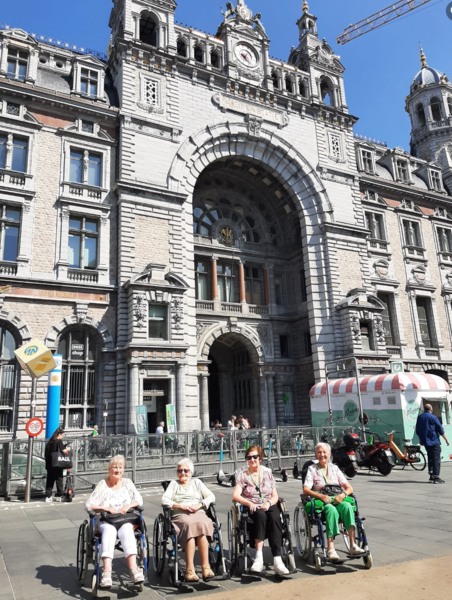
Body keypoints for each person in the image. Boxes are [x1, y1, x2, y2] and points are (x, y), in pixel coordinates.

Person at [85, 455, 145, 588]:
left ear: (123, 469)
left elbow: (139, 500)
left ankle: (134, 569)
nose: (118, 470)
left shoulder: (128, 483)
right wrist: (106, 508)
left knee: (127, 529)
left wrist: (128, 506)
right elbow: (88, 505)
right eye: (115, 467)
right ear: (109, 469)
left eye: (120, 467)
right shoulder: (102, 485)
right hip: (106, 520)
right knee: (110, 530)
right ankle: (107, 572)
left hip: (124, 519)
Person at [303, 443, 366, 562]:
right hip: (323, 502)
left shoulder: (335, 468)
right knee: (331, 510)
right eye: (319, 452)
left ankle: (353, 545)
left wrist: (342, 495)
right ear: (316, 454)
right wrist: (320, 495)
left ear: (329, 454)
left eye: (324, 452)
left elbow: (349, 488)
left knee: (347, 506)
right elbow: (305, 489)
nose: (322, 455)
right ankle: (330, 548)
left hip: (337, 499)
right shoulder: (312, 469)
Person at [232, 445, 289, 576]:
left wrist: (268, 503)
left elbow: (275, 496)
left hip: (268, 503)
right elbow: (235, 495)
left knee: (275, 517)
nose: (252, 460)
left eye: (255, 457)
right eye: (249, 457)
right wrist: (249, 503)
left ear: (260, 458)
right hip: (252, 505)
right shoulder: (243, 474)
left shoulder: (267, 473)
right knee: (260, 515)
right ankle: (259, 558)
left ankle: (277, 560)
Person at [162, 458, 216, 582]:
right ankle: (189, 570)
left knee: (202, 525)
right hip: (180, 514)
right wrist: (180, 506)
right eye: (179, 470)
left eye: (185, 470)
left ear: (191, 472)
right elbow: (164, 499)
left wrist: (200, 504)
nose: (183, 473)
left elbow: (211, 496)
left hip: (198, 512)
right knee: (189, 526)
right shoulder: (174, 484)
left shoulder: (197, 483)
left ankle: (206, 567)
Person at [416, 403, 450, 483]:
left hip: (425, 442)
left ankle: (431, 475)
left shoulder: (420, 417)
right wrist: (446, 439)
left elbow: (418, 430)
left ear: (424, 409)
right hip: (434, 441)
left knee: (430, 457)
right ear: (431, 409)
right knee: (436, 458)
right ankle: (436, 477)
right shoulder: (433, 417)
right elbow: (440, 429)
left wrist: (420, 439)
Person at [45, 427, 70, 503]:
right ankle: (60, 495)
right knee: (59, 480)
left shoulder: (50, 441)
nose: (62, 437)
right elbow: (62, 451)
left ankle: (48, 496)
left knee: (50, 481)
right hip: (57, 464)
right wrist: (67, 449)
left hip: (49, 464)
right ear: (59, 434)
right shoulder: (59, 441)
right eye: (62, 435)